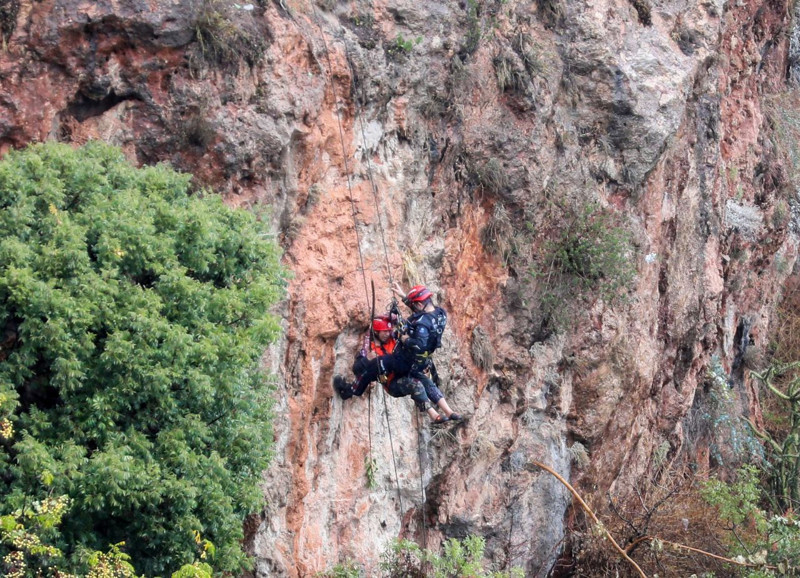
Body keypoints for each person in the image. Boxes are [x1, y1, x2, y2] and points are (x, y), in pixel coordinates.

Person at [333, 284, 462, 423]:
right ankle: (447, 411)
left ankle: (442, 413)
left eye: (389, 331)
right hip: (409, 368)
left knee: (416, 380)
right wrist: (404, 299)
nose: (388, 334)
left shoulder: (418, 326)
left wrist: (404, 338)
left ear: (419, 304)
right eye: (384, 331)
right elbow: (358, 368)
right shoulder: (440, 313)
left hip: (405, 363)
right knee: (420, 381)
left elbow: (415, 341)